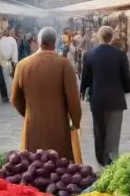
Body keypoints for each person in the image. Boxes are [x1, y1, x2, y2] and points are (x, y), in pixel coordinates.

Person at [11, 26, 82, 155]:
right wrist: (75, 122)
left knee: (33, 167)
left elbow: (15, 98)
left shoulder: (22, 65)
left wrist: (28, 114)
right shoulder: (64, 65)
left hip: (32, 126)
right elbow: (73, 99)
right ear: (55, 42)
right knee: (59, 168)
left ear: (39, 41)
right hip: (59, 126)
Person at [80, 25, 130, 166]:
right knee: (113, 134)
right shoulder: (120, 55)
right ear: (112, 38)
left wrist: (83, 91)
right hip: (116, 100)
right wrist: (126, 89)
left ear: (99, 36)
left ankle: (100, 160)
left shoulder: (89, 54)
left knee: (99, 131)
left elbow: (85, 77)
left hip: (97, 99)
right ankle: (111, 160)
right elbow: (126, 78)